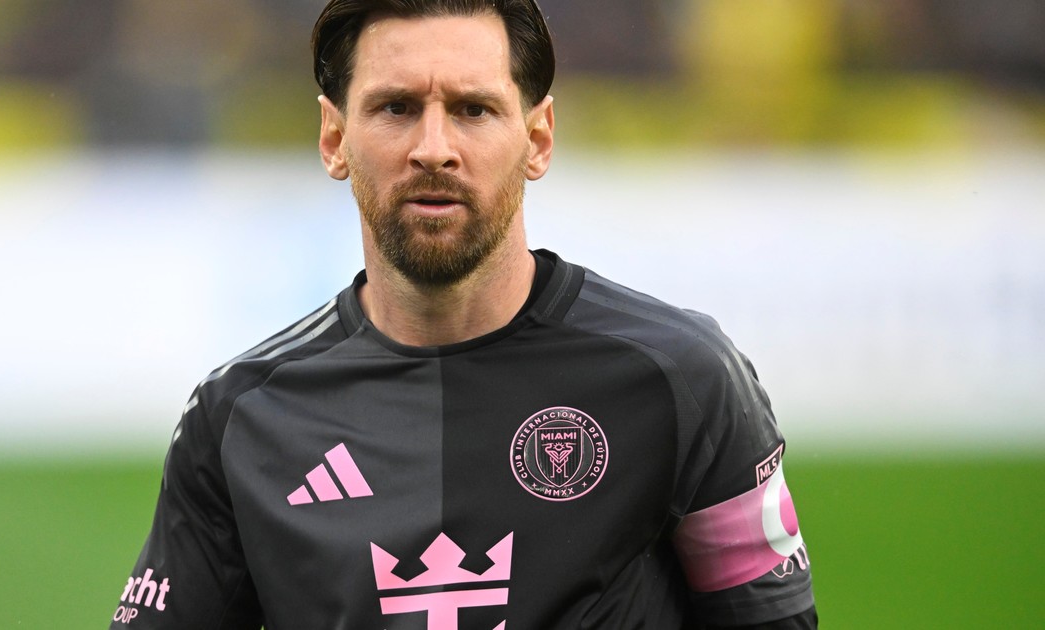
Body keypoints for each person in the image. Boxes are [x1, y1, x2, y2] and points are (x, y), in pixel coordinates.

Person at [109, 1, 817, 628]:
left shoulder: (682, 379)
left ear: (537, 139)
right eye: (396, 108)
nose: (434, 150)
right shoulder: (240, 417)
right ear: (333, 139)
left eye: (473, 110)